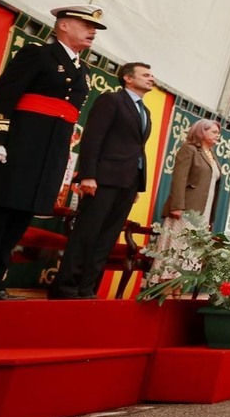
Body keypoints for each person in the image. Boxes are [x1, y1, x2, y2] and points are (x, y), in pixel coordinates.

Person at [0, 5, 100, 300]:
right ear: (63, 26)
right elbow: (4, 94)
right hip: (18, 147)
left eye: (93, 28)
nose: (92, 31)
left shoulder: (82, 70)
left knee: (19, 219)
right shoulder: (38, 54)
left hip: (49, 154)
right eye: (85, 25)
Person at [51, 61, 156, 299]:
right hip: (103, 179)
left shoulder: (145, 111)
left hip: (128, 182)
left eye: (152, 75)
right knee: (87, 234)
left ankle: (87, 289)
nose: (151, 78)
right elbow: (93, 138)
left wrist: (136, 182)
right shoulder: (112, 100)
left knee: (106, 238)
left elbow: (136, 147)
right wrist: (88, 175)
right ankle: (66, 288)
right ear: (128, 78)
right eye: (146, 74)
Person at [162, 119, 220, 229]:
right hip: (187, 208)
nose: (217, 135)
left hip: (205, 209)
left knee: (195, 245)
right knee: (180, 244)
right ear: (201, 132)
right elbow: (179, 179)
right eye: (214, 132)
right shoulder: (189, 149)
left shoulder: (212, 155)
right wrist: (177, 206)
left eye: (218, 133)